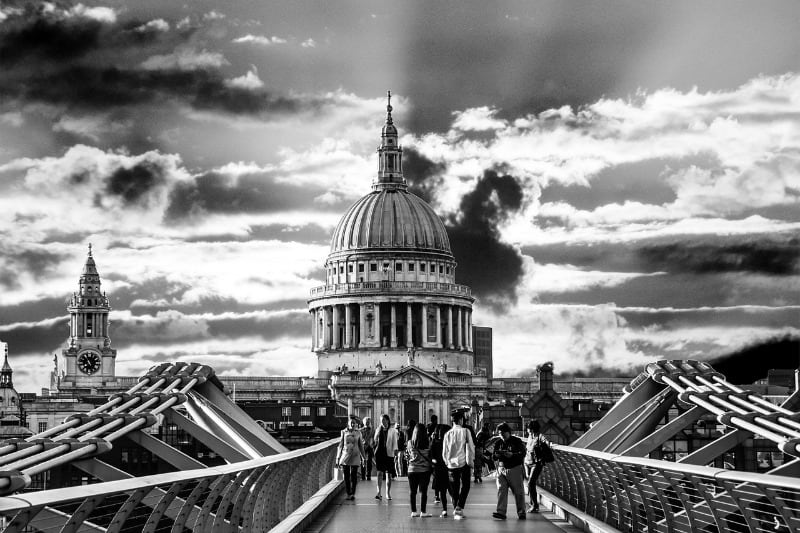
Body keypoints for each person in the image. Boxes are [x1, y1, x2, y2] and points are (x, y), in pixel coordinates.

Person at [442, 410, 475, 520]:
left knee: (454, 488)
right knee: (466, 486)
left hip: (451, 464)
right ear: (461, 420)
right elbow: (471, 447)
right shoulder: (466, 431)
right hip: (463, 463)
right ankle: (459, 507)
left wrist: (447, 462)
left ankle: (457, 509)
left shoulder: (447, 434)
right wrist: (472, 461)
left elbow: (445, 451)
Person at [491, 423, 527, 520]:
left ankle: (521, 512)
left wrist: (512, 455)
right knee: (501, 490)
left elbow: (522, 454)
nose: (501, 435)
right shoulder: (498, 443)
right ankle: (501, 512)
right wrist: (496, 456)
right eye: (499, 433)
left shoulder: (517, 441)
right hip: (501, 469)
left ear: (508, 432)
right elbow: (493, 456)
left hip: (514, 468)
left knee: (518, 491)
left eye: (503, 433)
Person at [336, 417, 366, 501]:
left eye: (354, 423)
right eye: (351, 423)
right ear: (348, 424)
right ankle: (348, 493)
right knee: (346, 476)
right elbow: (340, 445)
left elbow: (361, 446)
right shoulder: (343, 432)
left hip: (355, 455)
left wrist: (364, 457)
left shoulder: (358, 433)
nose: (353, 424)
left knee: (353, 475)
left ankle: (352, 493)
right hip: (345, 455)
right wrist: (338, 458)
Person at [406, 423, 433, 517]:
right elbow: (430, 455)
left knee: (412, 491)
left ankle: (413, 511)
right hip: (424, 469)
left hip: (412, 469)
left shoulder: (410, 443)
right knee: (423, 491)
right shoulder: (428, 442)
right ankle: (423, 512)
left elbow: (407, 455)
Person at [525, 420, 549, 513]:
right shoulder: (530, 437)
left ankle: (535, 505)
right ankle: (533, 504)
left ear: (531, 429)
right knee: (530, 483)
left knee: (531, 483)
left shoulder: (539, 436)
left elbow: (545, 440)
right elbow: (528, 449)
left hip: (537, 463)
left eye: (528, 428)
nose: (527, 430)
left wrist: (549, 443)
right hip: (528, 462)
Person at [373, 414, 399, 500]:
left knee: (389, 474)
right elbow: (375, 441)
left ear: (387, 420)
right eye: (381, 420)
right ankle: (378, 492)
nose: (382, 422)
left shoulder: (393, 431)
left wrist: (395, 454)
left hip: (389, 454)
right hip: (380, 454)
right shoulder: (378, 430)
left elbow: (395, 443)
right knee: (379, 473)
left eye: (384, 420)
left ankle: (388, 493)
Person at [430, 424, 450, 516]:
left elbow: (432, 457)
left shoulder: (435, 442)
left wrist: (434, 462)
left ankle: (445, 509)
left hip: (439, 469)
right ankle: (453, 507)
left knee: (443, 491)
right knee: (451, 490)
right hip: (447, 468)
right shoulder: (447, 443)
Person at [361, 417, 375, 481]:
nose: (367, 422)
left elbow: (374, 438)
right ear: (364, 423)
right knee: (362, 461)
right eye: (366, 421)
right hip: (363, 447)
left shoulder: (372, 430)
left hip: (370, 447)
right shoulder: (360, 430)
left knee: (369, 462)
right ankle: (363, 475)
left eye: (368, 421)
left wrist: (372, 444)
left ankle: (368, 475)